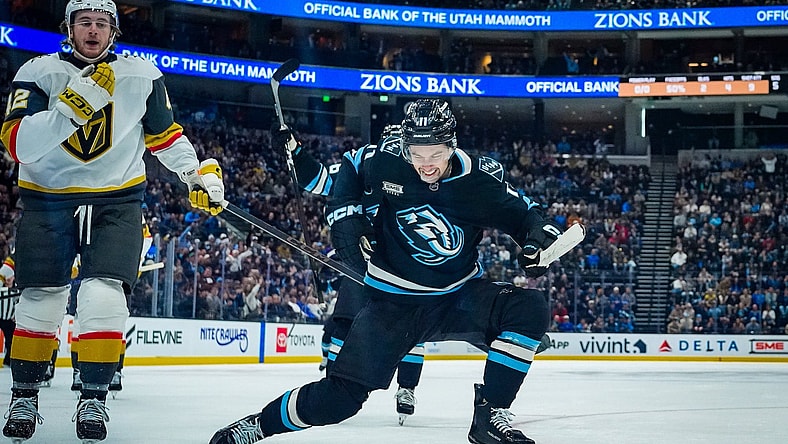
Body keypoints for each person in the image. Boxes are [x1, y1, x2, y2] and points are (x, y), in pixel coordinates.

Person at [211, 98, 559, 444]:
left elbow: (527, 215)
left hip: (458, 297)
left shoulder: (481, 178)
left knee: (527, 308)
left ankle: (490, 417)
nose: (425, 165)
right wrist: (345, 214)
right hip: (391, 303)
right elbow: (344, 168)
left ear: (452, 145)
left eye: (435, 154)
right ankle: (258, 425)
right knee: (339, 400)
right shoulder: (387, 160)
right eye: (417, 155)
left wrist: (538, 241)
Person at [0, 0, 225, 442]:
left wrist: (195, 176)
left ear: (114, 32)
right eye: (84, 22)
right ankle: (24, 396)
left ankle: (94, 399)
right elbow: (18, 145)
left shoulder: (142, 75)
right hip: (48, 200)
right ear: (68, 27)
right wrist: (73, 106)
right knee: (41, 300)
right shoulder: (37, 71)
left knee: (104, 298)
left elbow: (165, 136)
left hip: (117, 200)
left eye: (102, 23)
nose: (93, 30)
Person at [276, 123, 428, 425]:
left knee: (411, 324)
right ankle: (335, 384)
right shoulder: (362, 165)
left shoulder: (417, 174)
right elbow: (318, 179)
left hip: (399, 260)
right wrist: (293, 147)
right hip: (363, 257)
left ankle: (405, 388)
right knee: (347, 320)